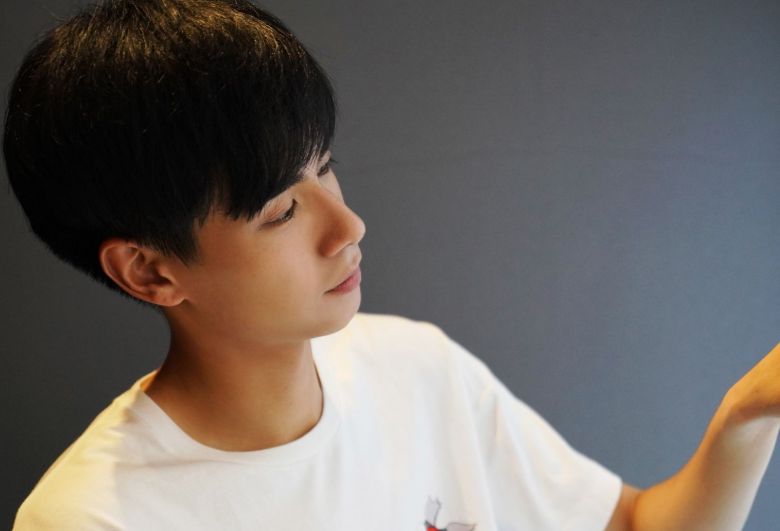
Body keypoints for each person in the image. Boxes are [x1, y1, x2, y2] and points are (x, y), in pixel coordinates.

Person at [4, 0, 779, 529]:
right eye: (282, 211)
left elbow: (634, 524)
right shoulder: (92, 516)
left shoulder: (415, 366)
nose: (348, 226)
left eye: (326, 168)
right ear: (149, 272)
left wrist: (749, 412)